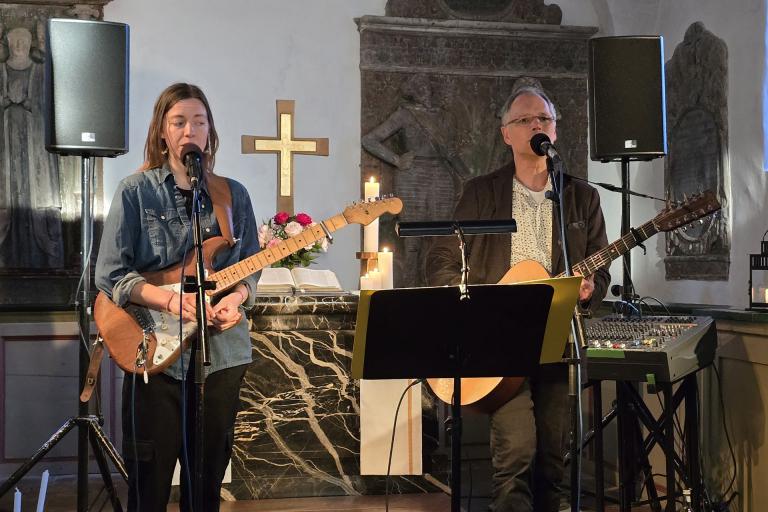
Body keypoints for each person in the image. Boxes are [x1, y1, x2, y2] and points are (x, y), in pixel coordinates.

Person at [426, 84, 610, 512]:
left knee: (554, 458)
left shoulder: (582, 196)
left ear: (555, 132)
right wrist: (468, 308)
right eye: (525, 120)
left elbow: (599, 270)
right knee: (517, 453)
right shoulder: (480, 192)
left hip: (557, 339)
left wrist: (588, 289)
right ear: (505, 134)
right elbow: (441, 257)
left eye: (543, 119)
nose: (536, 125)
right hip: (498, 342)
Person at [95, 83, 261, 511]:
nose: (191, 130)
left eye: (199, 121)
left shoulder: (233, 195)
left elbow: (251, 264)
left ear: (210, 132)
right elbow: (110, 272)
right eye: (180, 121)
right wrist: (169, 301)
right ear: (163, 132)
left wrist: (237, 298)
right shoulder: (136, 192)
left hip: (221, 357)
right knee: (149, 484)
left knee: (205, 483)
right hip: (153, 354)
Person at [362, 73, 470, 287]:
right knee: (412, 237)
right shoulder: (405, 114)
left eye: (426, 87)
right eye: (419, 87)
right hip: (413, 175)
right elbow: (369, 139)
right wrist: (396, 159)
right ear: (412, 92)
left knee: (441, 235)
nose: (425, 90)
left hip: (440, 174)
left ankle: (439, 284)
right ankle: (409, 287)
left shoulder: (444, 116)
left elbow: (455, 147)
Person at [0, 25, 63, 268]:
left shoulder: (40, 71)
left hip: (35, 148)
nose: (19, 45)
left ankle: (48, 256)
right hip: (7, 149)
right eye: (15, 40)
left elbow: (51, 108)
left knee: (39, 195)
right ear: (8, 43)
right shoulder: (2, 71)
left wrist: (28, 105)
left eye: (23, 40)